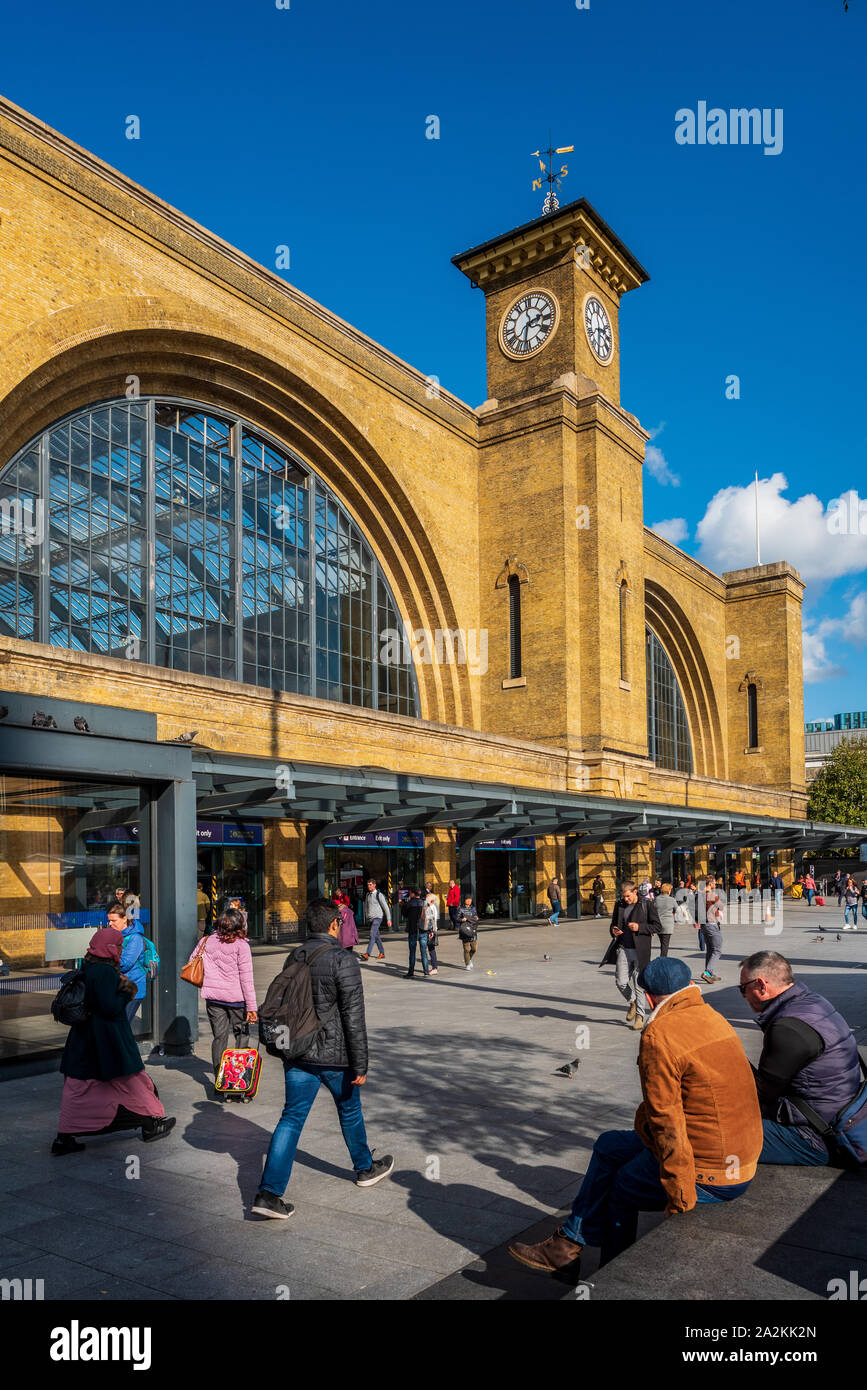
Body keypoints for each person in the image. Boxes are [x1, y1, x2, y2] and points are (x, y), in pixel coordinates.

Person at [508, 956, 762, 1278]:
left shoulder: (660, 1034)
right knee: (609, 1144)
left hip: (710, 1170)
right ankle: (567, 1245)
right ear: (688, 986)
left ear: (651, 996)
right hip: (739, 1156)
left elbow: (666, 1122)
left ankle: (611, 1276)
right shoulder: (712, 1016)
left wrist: (680, 1194)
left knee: (622, 1186)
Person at [252, 898, 394, 1219]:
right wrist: (361, 1064)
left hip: (299, 1052)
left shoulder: (295, 955)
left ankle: (269, 1194)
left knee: (291, 1118)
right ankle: (365, 1168)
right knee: (349, 1110)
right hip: (334, 1056)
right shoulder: (343, 961)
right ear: (334, 924)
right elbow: (353, 1017)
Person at [52, 927, 175, 1155]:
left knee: (78, 1087)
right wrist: (127, 991)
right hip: (109, 1039)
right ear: (109, 947)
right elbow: (109, 1007)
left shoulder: (87, 965)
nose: (121, 949)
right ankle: (151, 1124)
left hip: (84, 1039)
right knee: (132, 1081)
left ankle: (64, 1136)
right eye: (118, 945)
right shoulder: (106, 972)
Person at [740, 951, 863, 1166]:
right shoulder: (813, 1001)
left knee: (711, 1134)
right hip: (838, 1110)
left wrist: (729, 1054)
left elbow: (759, 1095)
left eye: (743, 989)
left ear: (761, 985)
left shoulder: (787, 1028)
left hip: (816, 1136)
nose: (743, 995)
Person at [190, 906, 258, 1093]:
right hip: (236, 1000)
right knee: (241, 1035)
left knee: (219, 1037)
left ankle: (220, 1081)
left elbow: (193, 960)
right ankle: (238, 1079)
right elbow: (247, 978)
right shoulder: (242, 946)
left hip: (213, 999)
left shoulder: (207, 940)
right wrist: (252, 1007)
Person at [599, 880, 661, 1031]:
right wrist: (614, 930)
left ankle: (639, 1016)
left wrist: (640, 927)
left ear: (635, 892)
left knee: (639, 985)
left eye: (628, 896)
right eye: (624, 896)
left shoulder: (647, 905)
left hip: (641, 950)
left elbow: (657, 926)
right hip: (623, 948)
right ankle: (632, 1002)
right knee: (620, 982)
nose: (625, 899)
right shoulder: (619, 905)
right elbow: (613, 924)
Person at [112, 902, 146, 1023]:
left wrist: (106, 958)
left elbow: (125, 963)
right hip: (119, 987)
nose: (110, 924)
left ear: (124, 919)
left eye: (114, 920)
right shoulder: (116, 935)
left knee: (122, 1026)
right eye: (109, 920)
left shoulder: (135, 937)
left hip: (132, 988)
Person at [360, 877, 391, 961]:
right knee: (376, 936)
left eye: (370, 885)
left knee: (372, 934)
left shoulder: (379, 895)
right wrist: (366, 917)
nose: (369, 886)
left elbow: (386, 907)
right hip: (370, 919)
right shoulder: (367, 895)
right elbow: (366, 907)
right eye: (368, 885)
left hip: (378, 918)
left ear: (374, 885)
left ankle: (367, 954)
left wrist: (388, 919)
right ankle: (382, 953)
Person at [403, 887, 430, 979]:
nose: (409, 894)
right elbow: (429, 917)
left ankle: (411, 972)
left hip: (413, 930)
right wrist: (430, 930)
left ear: (413, 894)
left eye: (410, 893)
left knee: (412, 952)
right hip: (423, 930)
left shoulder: (410, 903)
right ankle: (426, 971)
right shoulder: (425, 903)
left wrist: (405, 903)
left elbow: (404, 914)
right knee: (424, 952)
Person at [700, 875, 723, 983]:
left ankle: (710, 973)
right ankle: (707, 972)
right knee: (717, 950)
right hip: (712, 924)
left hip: (704, 925)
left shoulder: (700, 894)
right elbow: (721, 906)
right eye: (714, 883)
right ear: (710, 884)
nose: (715, 884)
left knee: (710, 949)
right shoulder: (711, 895)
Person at [653, 880, 677, 957]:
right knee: (665, 945)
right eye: (670, 889)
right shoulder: (672, 899)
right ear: (668, 890)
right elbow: (677, 910)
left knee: (662, 943)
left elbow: (653, 910)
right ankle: (663, 960)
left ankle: (662, 958)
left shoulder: (656, 899)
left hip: (658, 924)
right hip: (667, 924)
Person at [457, 895, 479, 970]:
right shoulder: (460, 908)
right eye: (467, 899)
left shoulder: (473, 908)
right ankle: (467, 964)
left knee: (474, 949)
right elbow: (456, 918)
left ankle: (469, 959)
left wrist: (476, 917)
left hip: (473, 930)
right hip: (465, 930)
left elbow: (476, 916)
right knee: (466, 949)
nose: (469, 901)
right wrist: (462, 919)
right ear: (464, 900)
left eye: (470, 899)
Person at [424, 892, 439, 975]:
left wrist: (432, 931)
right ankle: (434, 967)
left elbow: (433, 920)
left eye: (427, 898)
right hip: (430, 929)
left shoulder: (432, 908)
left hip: (431, 930)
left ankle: (434, 967)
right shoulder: (430, 907)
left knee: (431, 949)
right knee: (430, 949)